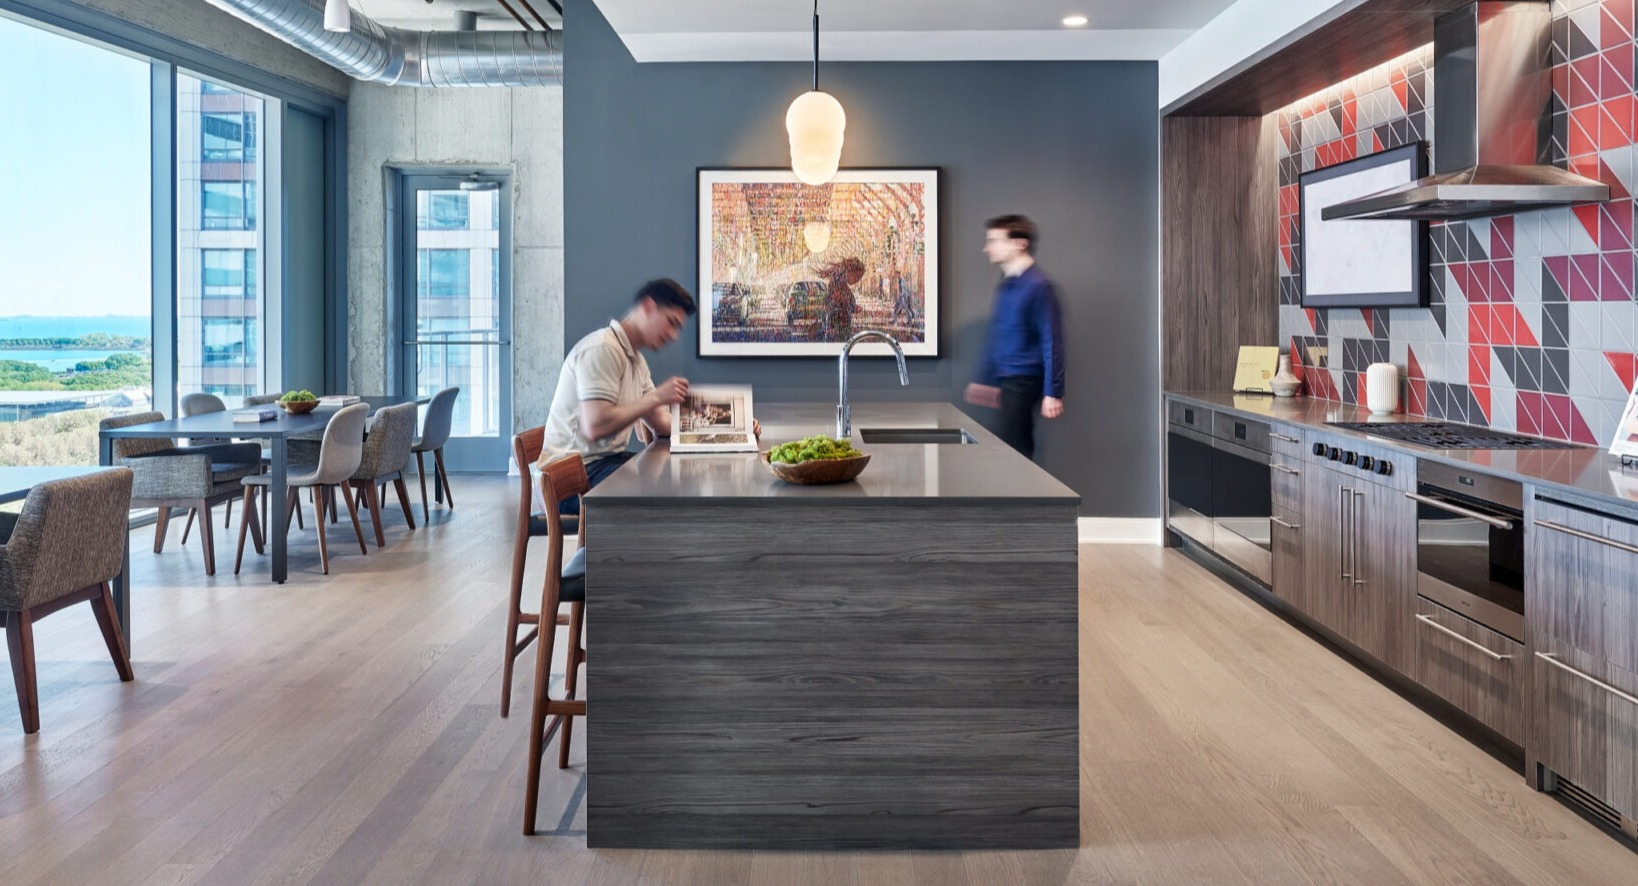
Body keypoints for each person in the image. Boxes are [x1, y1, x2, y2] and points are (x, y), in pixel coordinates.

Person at [541, 278, 696, 514]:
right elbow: (595, 426)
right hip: (569, 477)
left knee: (675, 478)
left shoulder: (636, 360)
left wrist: (734, 428)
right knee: (660, 494)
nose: (673, 335)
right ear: (648, 307)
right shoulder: (602, 349)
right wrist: (656, 398)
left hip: (604, 462)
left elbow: (662, 425)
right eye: (671, 322)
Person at [964, 214, 1065, 461]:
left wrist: (1053, 392)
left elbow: (1052, 340)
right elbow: (999, 334)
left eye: (994, 240)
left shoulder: (1039, 286)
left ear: (1020, 243)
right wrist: (987, 380)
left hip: (1025, 380)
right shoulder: (1007, 285)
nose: (987, 248)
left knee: (1009, 450)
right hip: (1007, 380)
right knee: (1016, 450)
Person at [818, 257, 864, 341]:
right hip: (837, 329)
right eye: (857, 277)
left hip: (839, 328)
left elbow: (842, 304)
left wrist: (853, 307)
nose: (857, 281)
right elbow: (838, 306)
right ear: (850, 271)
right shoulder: (839, 285)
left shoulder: (840, 283)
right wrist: (853, 307)